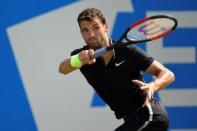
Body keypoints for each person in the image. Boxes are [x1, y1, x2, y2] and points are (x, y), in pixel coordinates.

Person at [59, 7, 175, 131]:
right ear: (81, 33)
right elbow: (62, 69)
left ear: (106, 27)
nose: (91, 34)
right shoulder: (81, 56)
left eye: (96, 27)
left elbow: (168, 74)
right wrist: (77, 59)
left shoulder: (126, 50)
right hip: (130, 120)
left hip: (149, 114)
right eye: (85, 30)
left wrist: (153, 86)